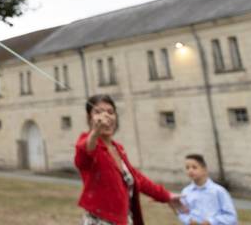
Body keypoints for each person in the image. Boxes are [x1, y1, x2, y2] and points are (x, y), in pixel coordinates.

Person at [75, 94, 186, 224]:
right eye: (98, 112)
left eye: (110, 112)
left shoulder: (118, 149)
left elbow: (137, 178)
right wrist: (94, 133)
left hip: (124, 220)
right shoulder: (87, 143)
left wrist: (166, 196)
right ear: (90, 118)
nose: (106, 116)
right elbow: (84, 155)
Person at [178, 154, 238, 225]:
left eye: (194, 167)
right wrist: (189, 220)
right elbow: (181, 213)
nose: (190, 170)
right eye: (187, 168)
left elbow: (231, 217)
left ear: (204, 170)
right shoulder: (185, 192)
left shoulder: (218, 191)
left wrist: (211, 222)